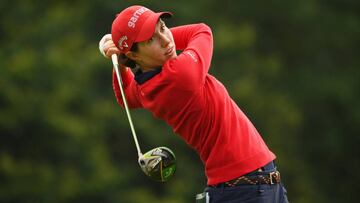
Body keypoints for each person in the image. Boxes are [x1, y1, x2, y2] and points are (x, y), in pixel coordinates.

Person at [99, 5, 289, 203]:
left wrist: (119, 63)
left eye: (163, 28)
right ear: (134, 55)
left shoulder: (145, 88)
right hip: (245, 191)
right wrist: (121, 56)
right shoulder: (181, 74)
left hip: (251, 187)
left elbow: (125, 97)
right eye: (151, 39)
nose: (166, 41)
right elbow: (201, 30)